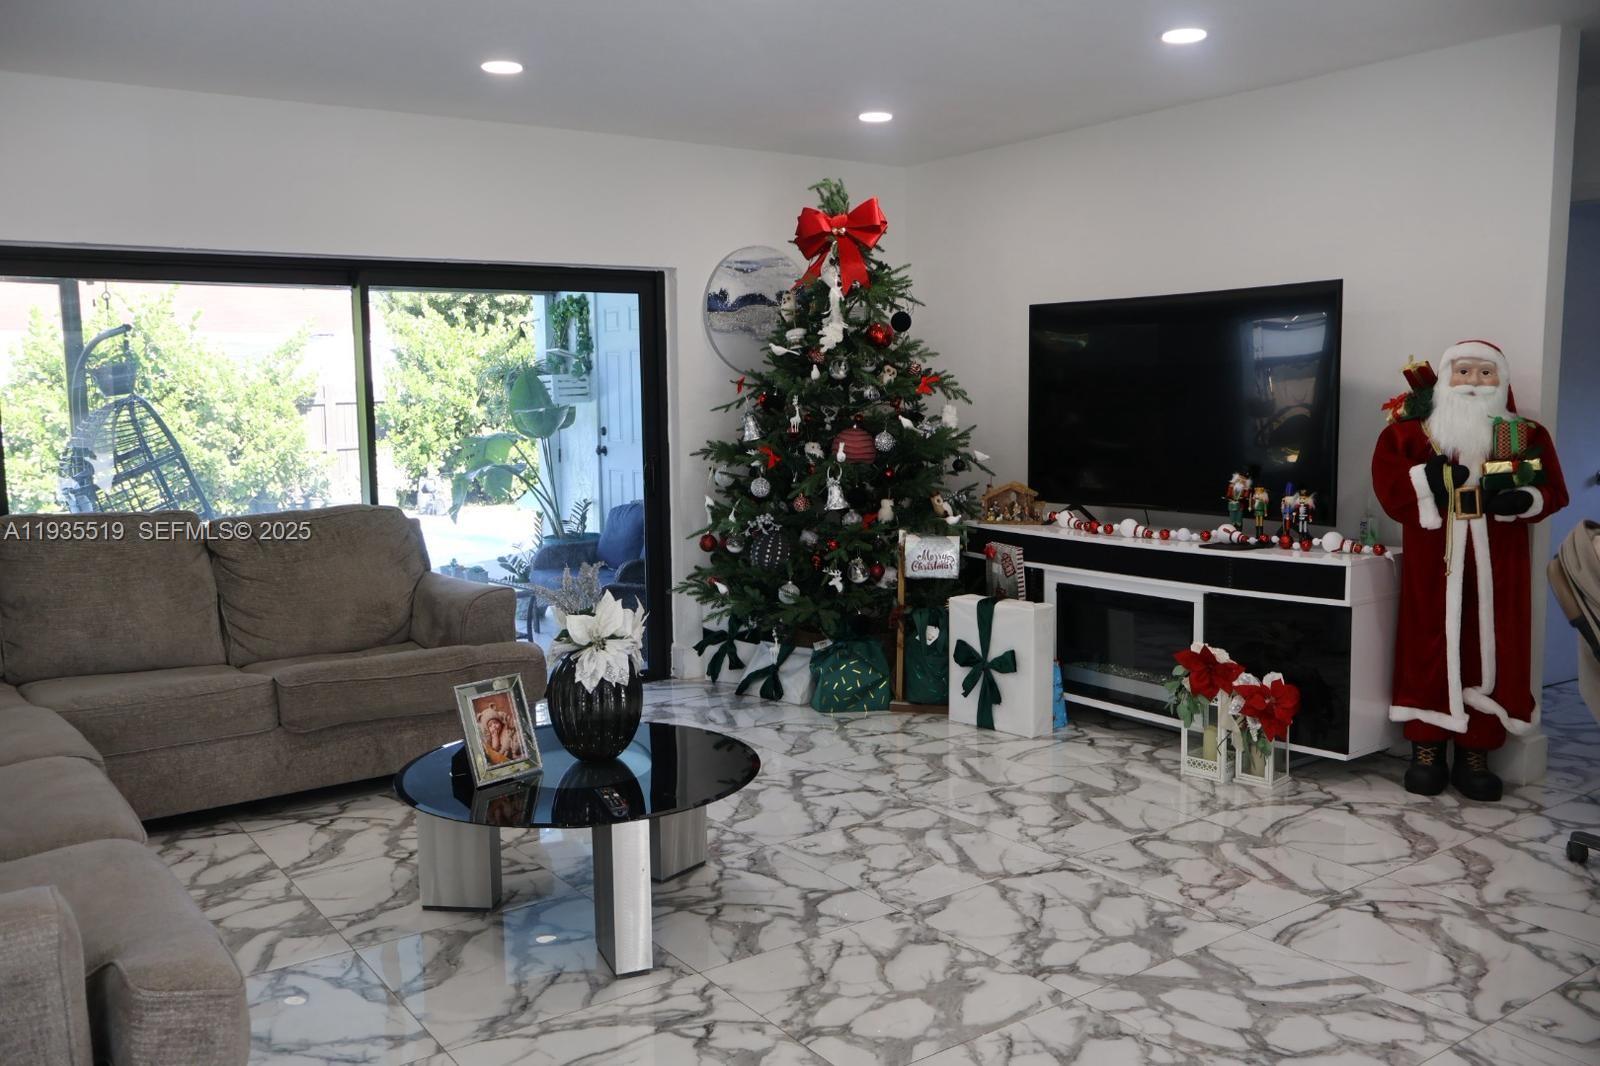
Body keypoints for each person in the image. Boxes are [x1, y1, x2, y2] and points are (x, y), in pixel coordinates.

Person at [1371, 340, 1568, 800]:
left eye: (1485, 372)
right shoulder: (1411, 434)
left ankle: (1476, 751)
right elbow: (1389, 483)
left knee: (1491, 646)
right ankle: (1426, 747)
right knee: (1428, 643)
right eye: (1463, 372)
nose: (1473, 382)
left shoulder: (1526, 434)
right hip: (1434, 563)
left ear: (1501, 380)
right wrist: (1428, 482)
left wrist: (1525, 499)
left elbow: (1554, 489)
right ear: (1446, 377)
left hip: (1499, 566)